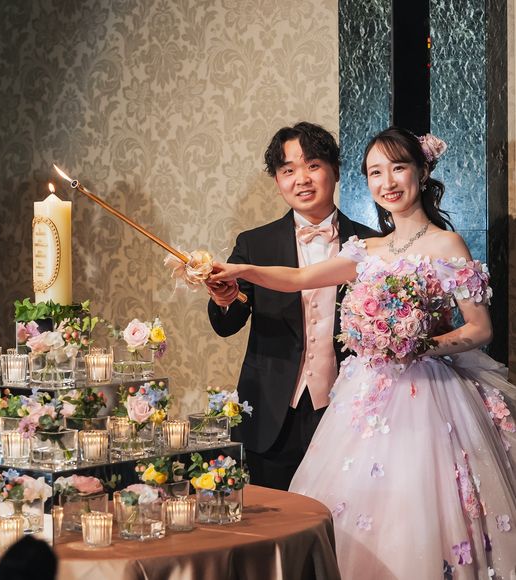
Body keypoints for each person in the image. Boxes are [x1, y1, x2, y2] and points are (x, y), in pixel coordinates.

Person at [209, 127, 516, 578]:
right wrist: (239, 270)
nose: (387, 182)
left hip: (430, 398)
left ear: (421, 172)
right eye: (375, 172)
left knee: (418, 508)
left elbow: (480, 328)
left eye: (398, 168)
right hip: (367, 397)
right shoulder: (366, 249)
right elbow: (298, 278)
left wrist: (417, 345)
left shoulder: (447, 245)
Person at [207, 122, 377, 490]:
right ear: (277, 181)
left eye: (313, 165)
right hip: (271, 411)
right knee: (275, 514)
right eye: (288, 170)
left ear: (335, 170)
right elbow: (228, 321)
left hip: (349, 408)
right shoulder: (255, 244)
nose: (302, 179)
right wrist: (223, 298)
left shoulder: (373, 244)